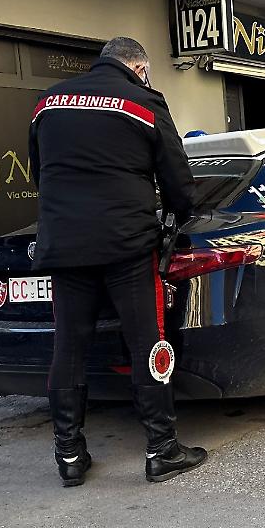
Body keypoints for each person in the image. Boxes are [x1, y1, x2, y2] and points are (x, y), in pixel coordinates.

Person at [28, 36, 207, 487]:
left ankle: (68, 456)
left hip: (65, 246)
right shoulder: (144, 101)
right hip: (126, 245)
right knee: (147, 341)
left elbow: (39, 171)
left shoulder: (47, 103)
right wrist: (181, 215)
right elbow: (178, 180)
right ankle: (161, 449)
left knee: (68, 346)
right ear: (139, 68)